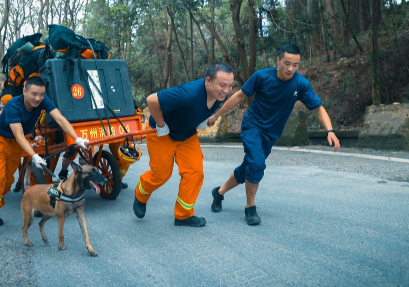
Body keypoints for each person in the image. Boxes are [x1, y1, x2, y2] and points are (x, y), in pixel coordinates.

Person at [208, 44, 340, 225]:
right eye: (287, 63)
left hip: (271, 134)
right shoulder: (262, 76)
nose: (291, 68)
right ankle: (250, 207)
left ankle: (219, 192)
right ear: (278, 61)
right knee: (256, 163)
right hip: (252, 126)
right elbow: (239, 96)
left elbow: (318, 108)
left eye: (295, 65)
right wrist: (217, 114)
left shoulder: (300, 84)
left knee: (249, 167)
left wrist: (330, 130)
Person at [0, 76, 89, 237]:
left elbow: (60, 118)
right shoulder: (13, 106)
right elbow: (19, 135)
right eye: (34, 94)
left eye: (41, 94)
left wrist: (76, 138)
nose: (38, 98)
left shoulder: (43, 100)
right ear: (24, 91)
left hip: (15, 144)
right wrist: (34, 156)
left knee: (7, 180)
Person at [133, 63, 235, 227]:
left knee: (195, 172)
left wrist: (203, 119)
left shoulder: (218, 95)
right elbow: (151, 100)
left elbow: (199, 109)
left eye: (230, 86)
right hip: (161, 133)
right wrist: (161, 125)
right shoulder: (187, 94)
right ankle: (140, 194)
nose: (226, 90)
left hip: (186, 134)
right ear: (208, 81)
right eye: (222, 85)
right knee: (161, 174)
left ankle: (183, 215)